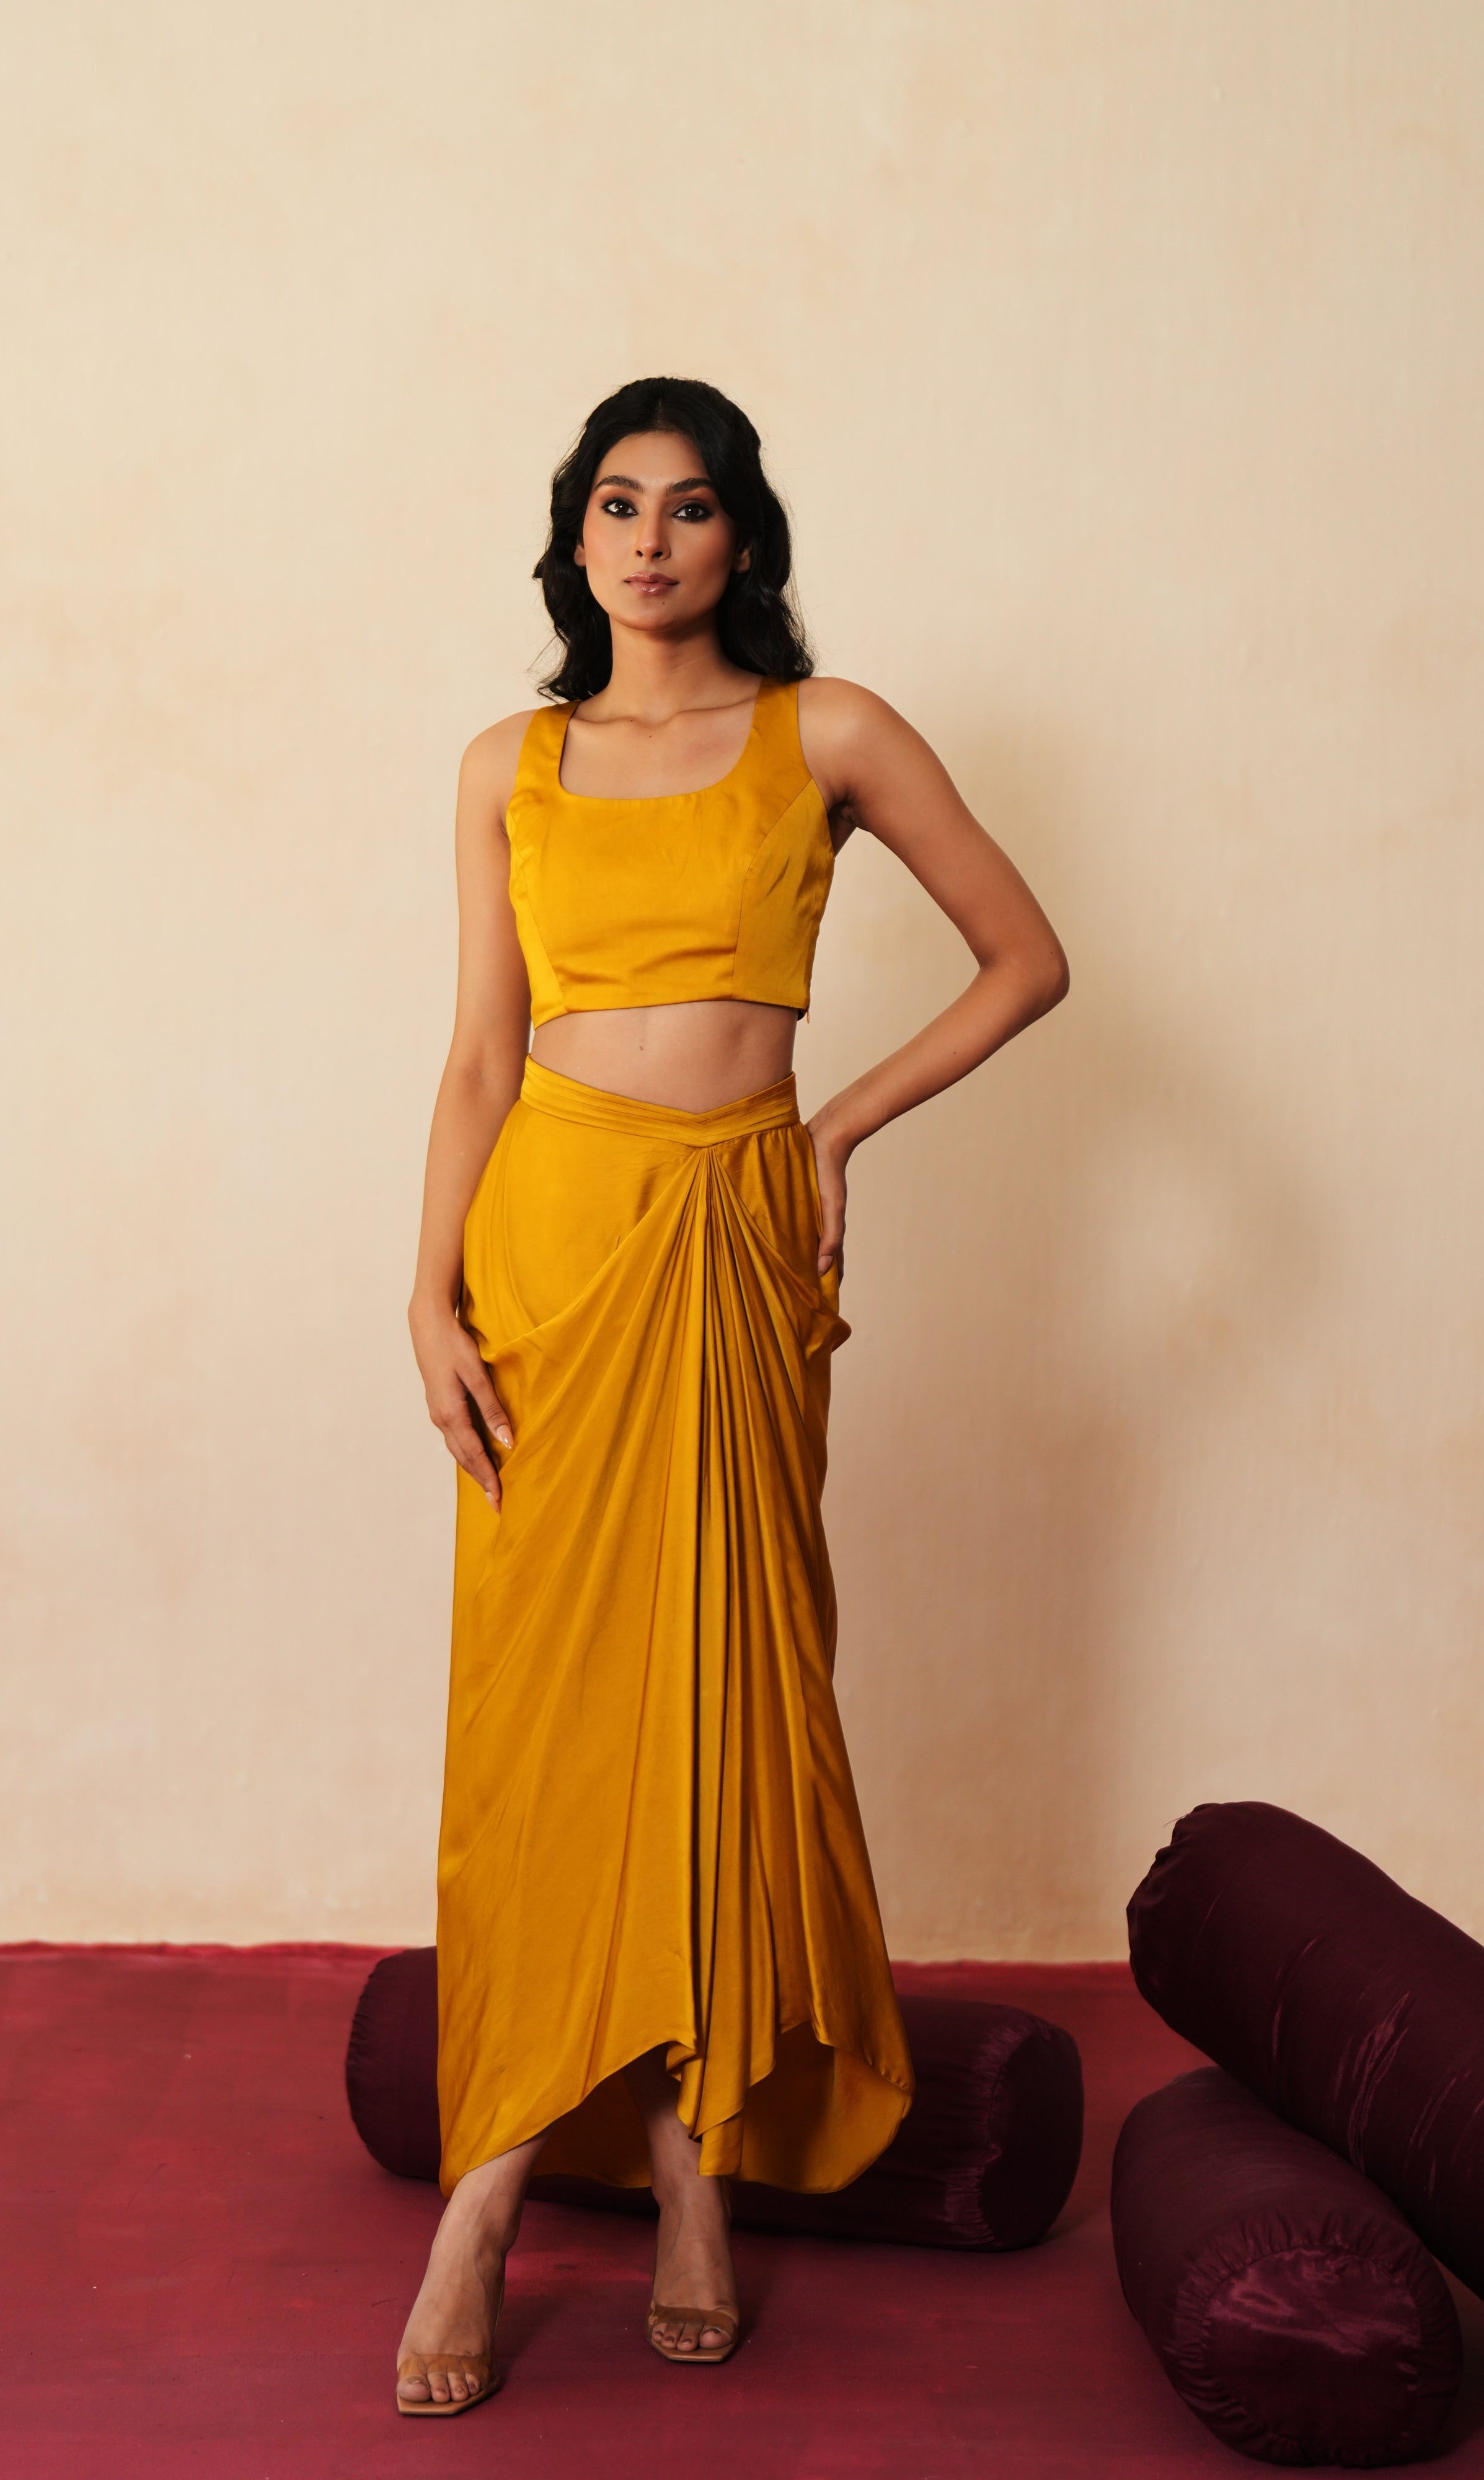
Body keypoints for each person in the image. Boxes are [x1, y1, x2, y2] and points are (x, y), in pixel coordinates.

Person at [396, 376, 1069, 2416]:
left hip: (739, 1247)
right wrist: (423, 1293)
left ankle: (697, 2160)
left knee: (731, 1693)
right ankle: (486, 2200)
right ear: (575, 535)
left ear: (744, 539)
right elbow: (481, 1061)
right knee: (542, 1725)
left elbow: (1025, 956)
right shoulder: (508, 761)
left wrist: (837, 1127)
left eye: (692, 507)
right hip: (553, 1258)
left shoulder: (827, 731)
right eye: (618, 504)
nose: (654, 539)